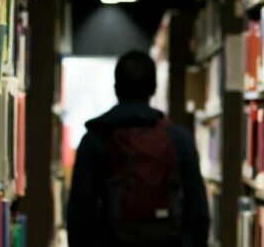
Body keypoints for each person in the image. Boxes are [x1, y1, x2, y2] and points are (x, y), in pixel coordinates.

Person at [67, 51, 210, 247]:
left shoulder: (95, 139)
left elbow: (80, 213)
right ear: (153, 88)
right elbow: (198, 212)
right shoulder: (178, 139)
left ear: (116, 88)